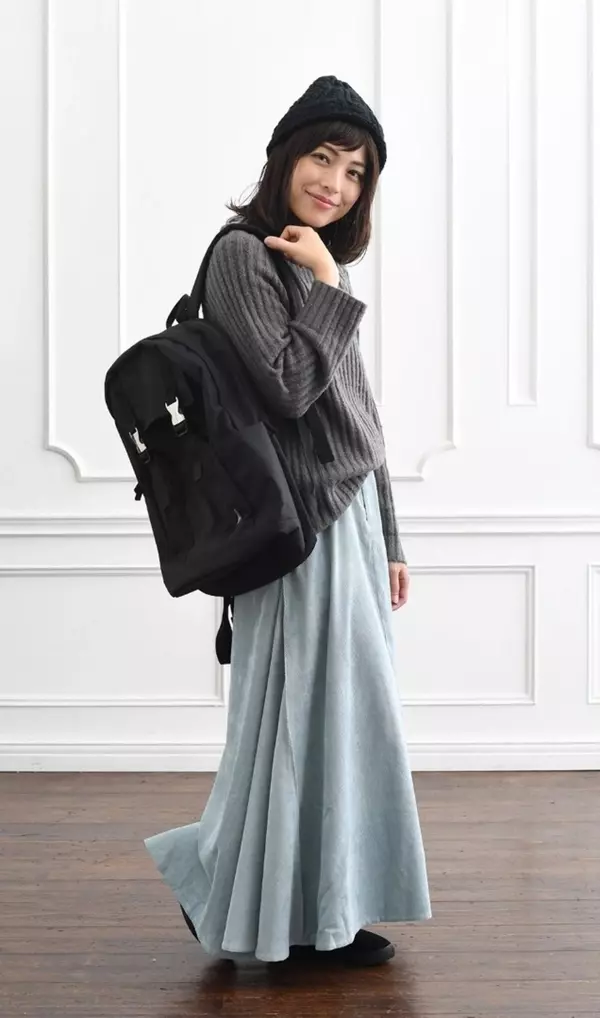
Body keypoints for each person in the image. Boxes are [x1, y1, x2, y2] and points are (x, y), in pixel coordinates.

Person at [143, 75, 431, 967]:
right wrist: (330, 286)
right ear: (284, 158)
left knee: (335, 726)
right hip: (295, 527)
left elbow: (358, 417)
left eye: (355, 172)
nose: (335, 183)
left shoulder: (311, 265)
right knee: (295, 726)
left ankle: (313, 912)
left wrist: (390, 537)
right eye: (322, 158)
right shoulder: (246, 257)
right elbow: (291, 389)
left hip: (344, 520)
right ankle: (241, 892)